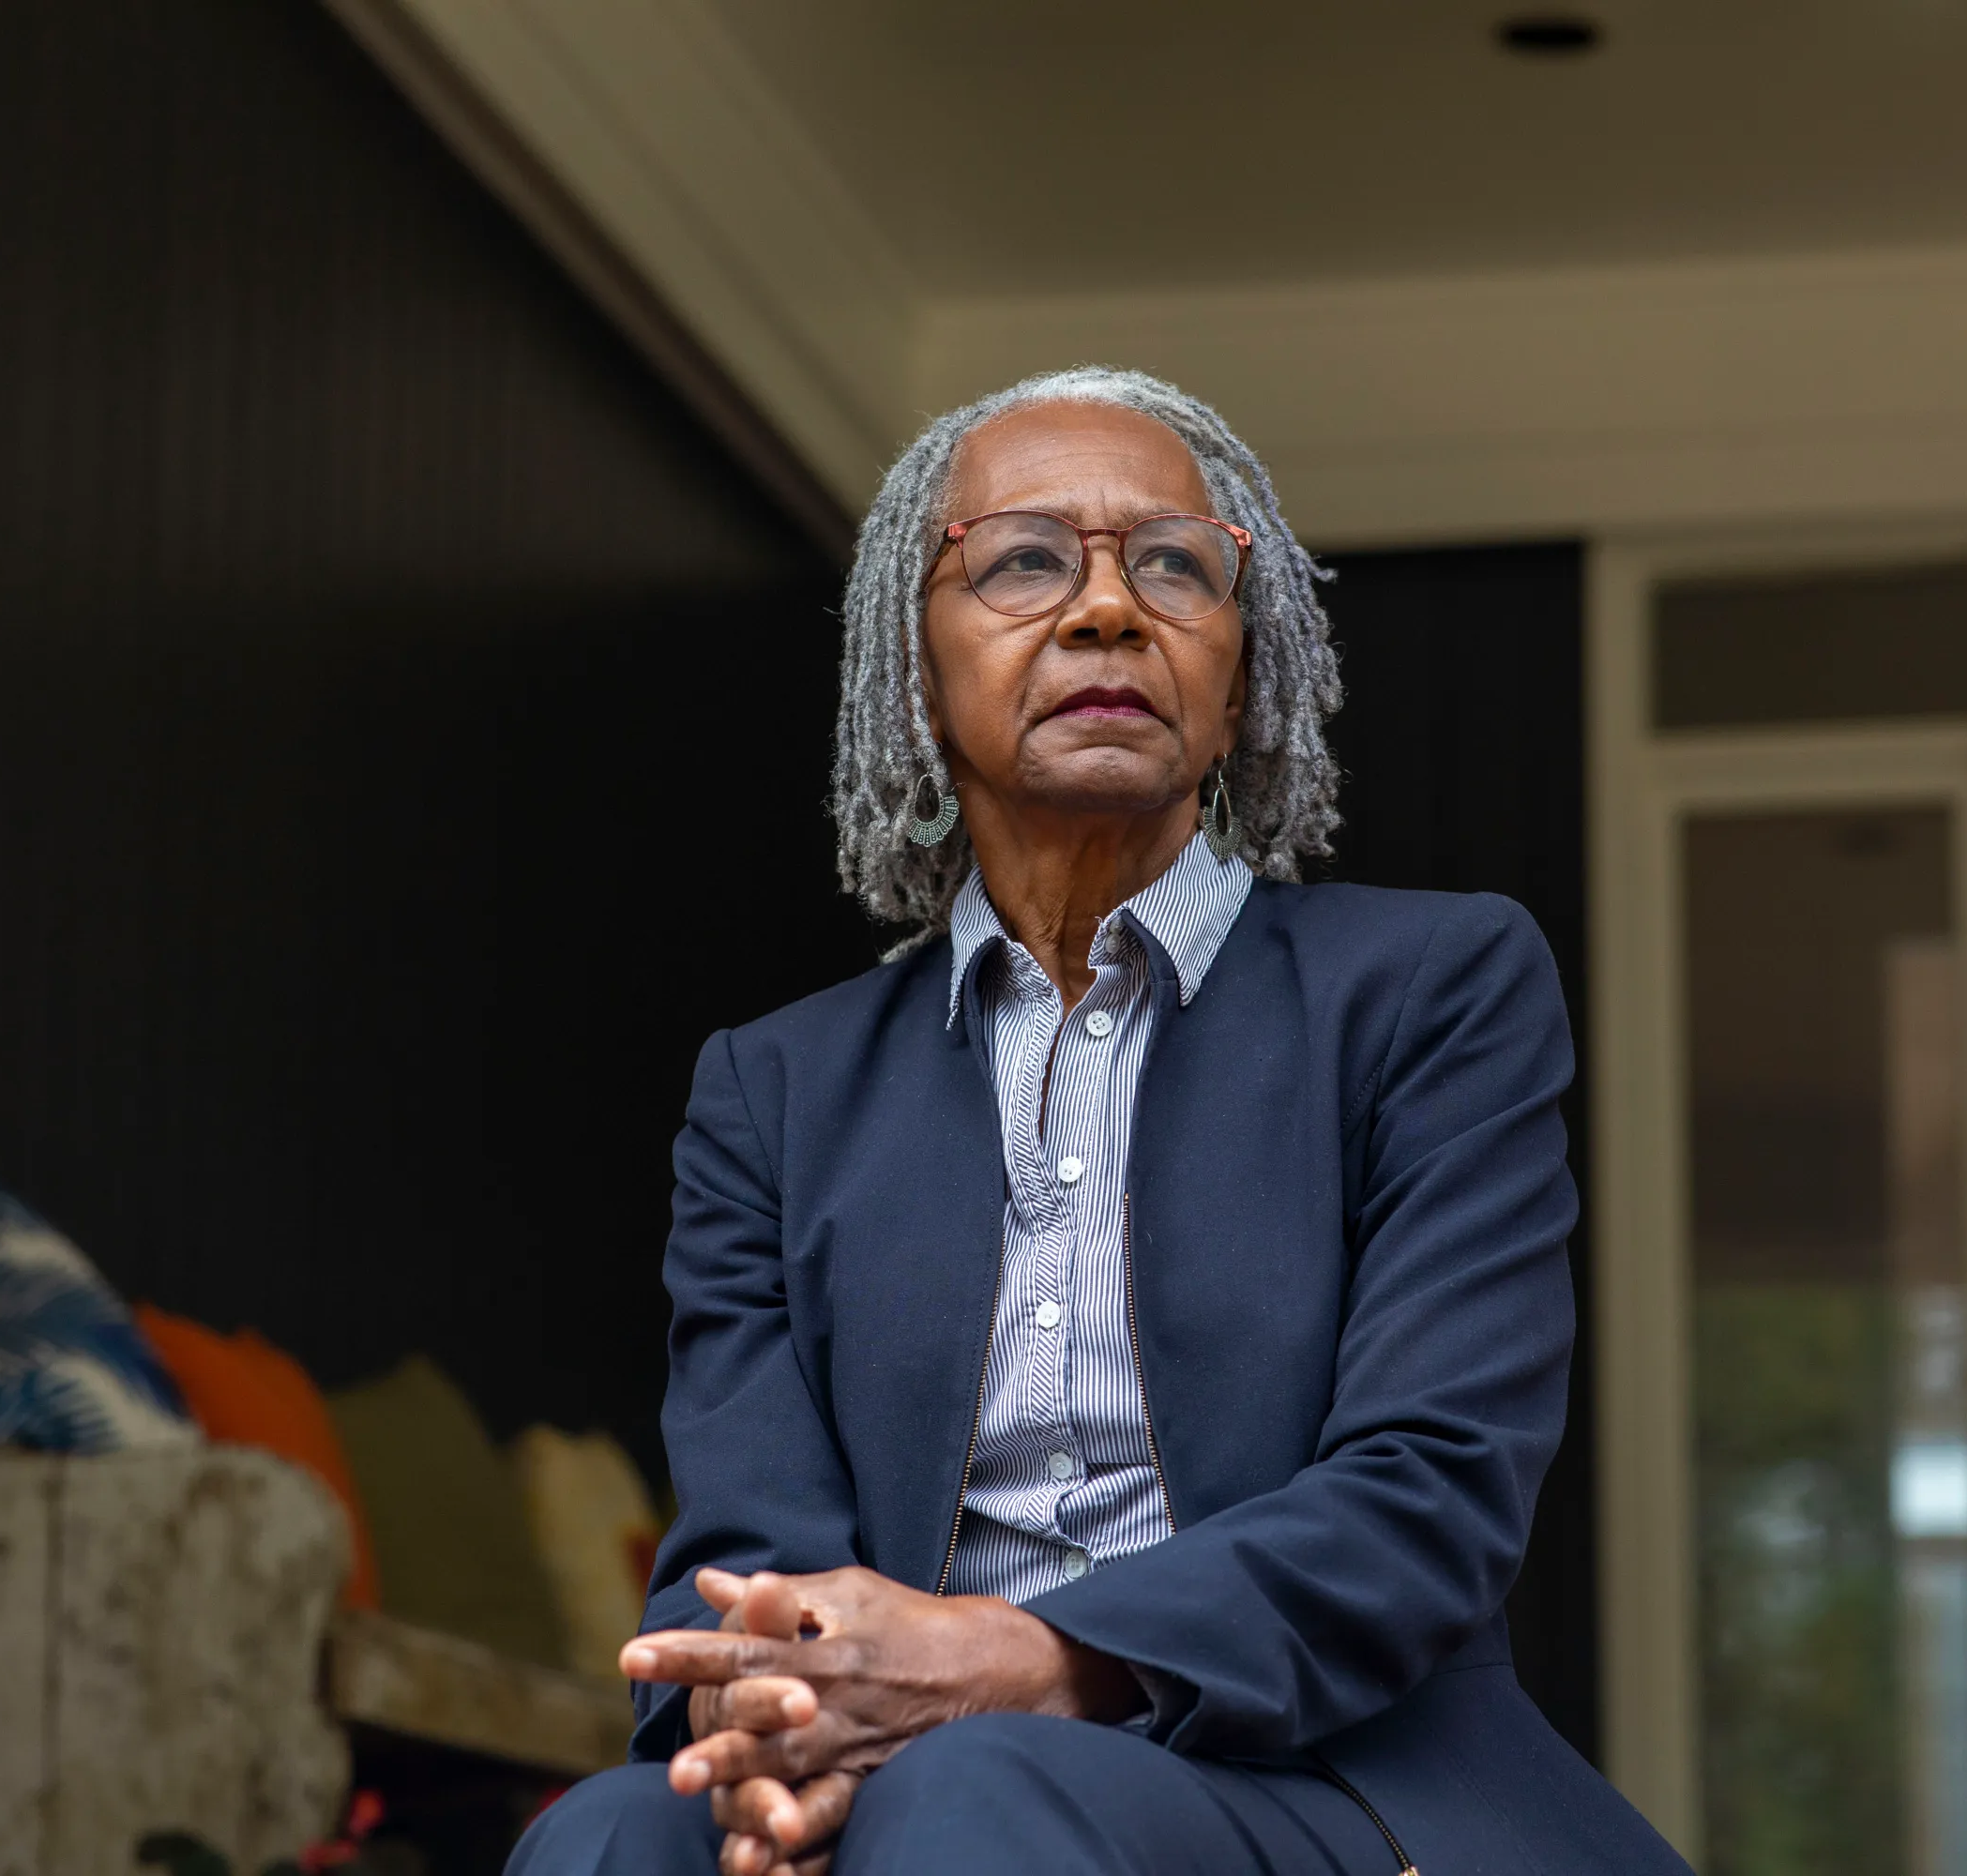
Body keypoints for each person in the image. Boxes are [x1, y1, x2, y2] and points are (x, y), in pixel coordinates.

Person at [509, 368, 1689, 1875]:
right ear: (911, 670)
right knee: (608, 1843)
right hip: (911, 1775)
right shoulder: (775, 1089)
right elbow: (745, 1550)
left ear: (1242, 670)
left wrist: (1001, 1665)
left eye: (1175, 566)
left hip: (1326, 1774)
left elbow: (1427, 1498)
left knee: (969, 1795)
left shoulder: (1429, 989)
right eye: (1024, 561)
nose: (1110, 611)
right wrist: (782, 1727)